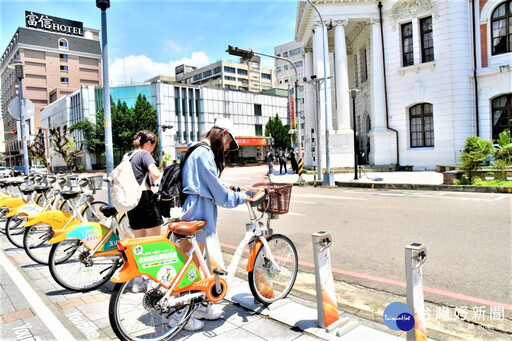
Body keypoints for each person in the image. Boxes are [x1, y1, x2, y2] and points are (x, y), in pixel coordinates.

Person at [175, 118, 248, 331]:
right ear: (223, 132)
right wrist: (241, 198)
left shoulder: (198, 150)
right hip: (198, 211)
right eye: (228, 141)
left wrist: (229, 186)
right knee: (189, 265)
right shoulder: (203, 153)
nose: (227, 147)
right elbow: (216, 191)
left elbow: (209, 183)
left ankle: (196, 306)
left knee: (195, 262)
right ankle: (180, 313)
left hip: (197, 209)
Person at [127, 130, 162, 238]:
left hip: (131, 199)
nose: (152, 150)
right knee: (154, 239)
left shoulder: (128, 155)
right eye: (153, 147)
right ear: (147, 143)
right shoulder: (144, 153)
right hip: (144, 198)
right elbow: (156, 174)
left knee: (139, 239)